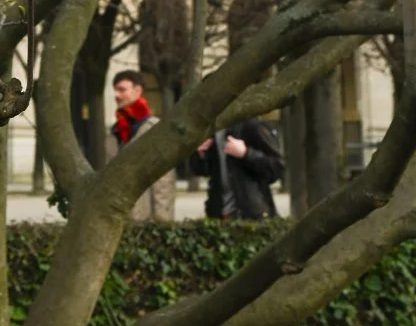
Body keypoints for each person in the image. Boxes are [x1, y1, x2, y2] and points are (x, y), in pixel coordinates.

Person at [103, 70, 175, 221]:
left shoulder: (154, 130)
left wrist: (161, 223)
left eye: (122, 90)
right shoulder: (115, 132)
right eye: (115, 90)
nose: (116, 95)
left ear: (137, 91)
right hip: (118, 219)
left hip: (144, 218)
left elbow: (163, 182)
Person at [189, 117, 285, 220]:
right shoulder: (211, 129)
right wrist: (200, 155)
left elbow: (277, 167)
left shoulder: (252, 125)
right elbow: (201, 171)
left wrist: (246, 153)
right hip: (218, 214)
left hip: (252, 213)